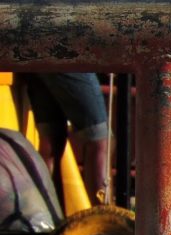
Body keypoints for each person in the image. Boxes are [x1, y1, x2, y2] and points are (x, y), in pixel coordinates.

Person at [21, 73, 109, 204]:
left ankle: (46, 213)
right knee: (98, 140)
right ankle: (101, 220)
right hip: (66, 60)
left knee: (50, 142)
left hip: (36, 59)